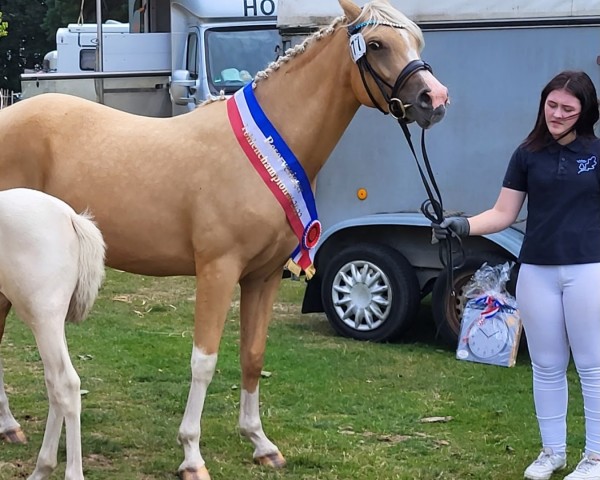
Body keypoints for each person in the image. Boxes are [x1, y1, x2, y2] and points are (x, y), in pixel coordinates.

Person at [433, 70, 600, 480]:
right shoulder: (526, 154)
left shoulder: (597, 152)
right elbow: (504, 213)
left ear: (584, 112)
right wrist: (464, 225)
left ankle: (595, 457)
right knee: (546, 366)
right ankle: (552, 453)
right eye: (552, 105)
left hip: (587, 269)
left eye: (568, 109)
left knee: (592, 366)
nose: (557, 114)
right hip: (537, 271)